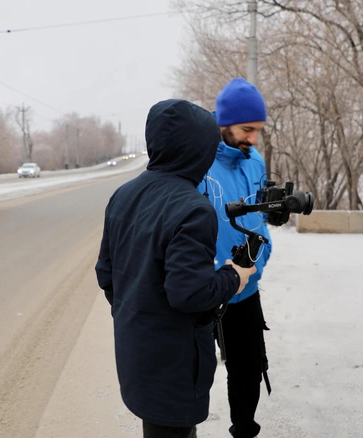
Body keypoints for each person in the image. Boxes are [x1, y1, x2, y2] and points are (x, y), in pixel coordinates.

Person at [95, 98, 257, 438]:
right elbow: (192, 294)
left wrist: (139, 314)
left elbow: (106, 274)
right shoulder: (193, 209)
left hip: (135, 353)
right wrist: (234, 276)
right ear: (198, 150)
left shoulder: (123, 195)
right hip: (174, 367)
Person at [196, 77, 272, 438]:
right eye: (247, 129)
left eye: (257, 130)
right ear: (223, 122)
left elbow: (262, 222)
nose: (253, 139)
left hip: (245, 288)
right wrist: (212, 274)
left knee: (249, 370)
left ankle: (244, 431)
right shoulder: (196, 159)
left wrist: (259, 261)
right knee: (192, 374)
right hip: (204, 289)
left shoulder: (255, 161)